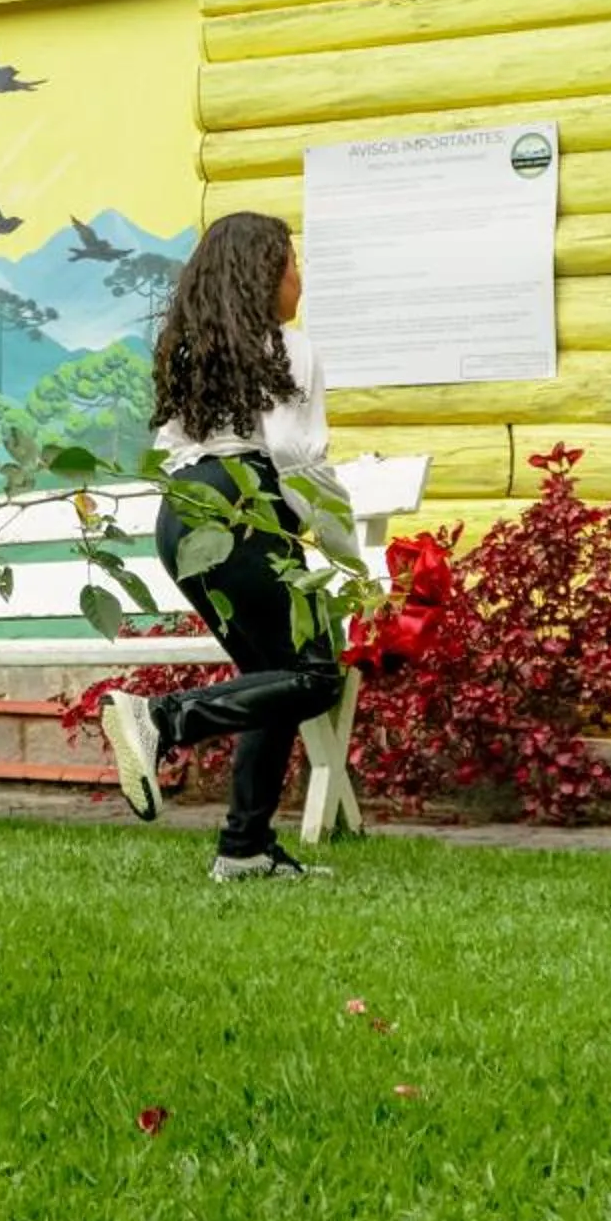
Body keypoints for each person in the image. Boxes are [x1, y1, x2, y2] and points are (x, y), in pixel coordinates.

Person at [99, 211, 367, 882]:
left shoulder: (198, 349)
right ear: (261, 275)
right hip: (245, 509)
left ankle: (244, 850)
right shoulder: (286, 347)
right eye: (290, 264)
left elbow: (176, 452)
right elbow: (296, 457)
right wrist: (344, 554)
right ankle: (161, 719)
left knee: (272, 678)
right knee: (314, 677)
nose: (299, 279)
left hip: (184, 517)